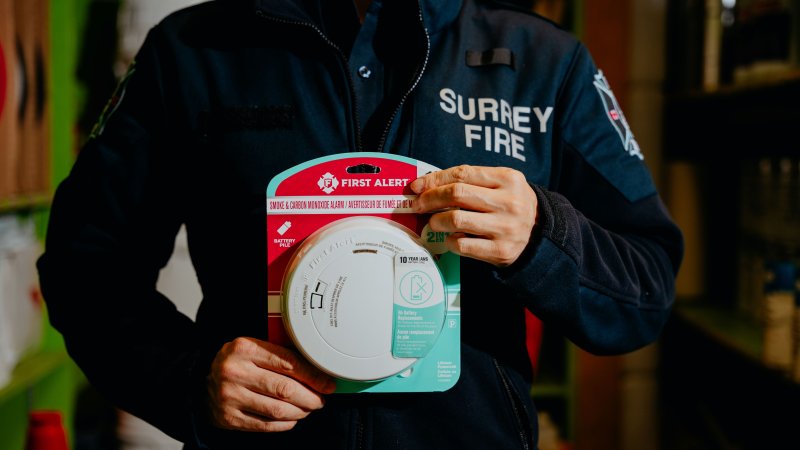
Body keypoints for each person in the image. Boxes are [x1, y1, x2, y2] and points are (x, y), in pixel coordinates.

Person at [36, 0, 684, 449]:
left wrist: (543, 233)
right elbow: (85, 267)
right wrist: (188, 377)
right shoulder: (195, 53)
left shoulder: (542, 63)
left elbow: (643, 291)